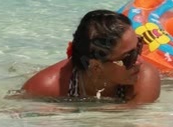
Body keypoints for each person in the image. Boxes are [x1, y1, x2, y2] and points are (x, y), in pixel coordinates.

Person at [19, 10, 161, 105]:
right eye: (128, 57)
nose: (140, 61)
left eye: (138, 47)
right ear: (96, 66)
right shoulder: (46, 87)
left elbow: (132, 121)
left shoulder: (145, 76)